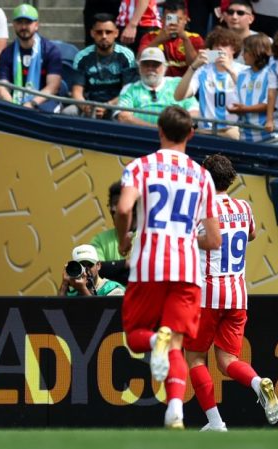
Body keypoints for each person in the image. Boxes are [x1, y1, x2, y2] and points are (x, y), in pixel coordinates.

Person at [115, 106, 221, 429]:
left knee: (136, 338)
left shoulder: (140, 167)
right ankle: (175, 410)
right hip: (187, 269)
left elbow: (123, 208)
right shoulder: (202, 177)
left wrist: (123, 239)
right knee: (176, 343)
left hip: (149, 265)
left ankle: (153, 342)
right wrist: (187, 239)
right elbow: (214, 239)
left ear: (159, 130)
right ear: (191, 134)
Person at [184, 154, 278, 432]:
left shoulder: (198, 209)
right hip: (237, 294)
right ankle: (257, 383)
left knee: (195, 358)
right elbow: (251, 235)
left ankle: (216, 422)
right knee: (227, 361)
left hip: (207, 294)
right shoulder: (243, 207)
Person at [174, 27, 247, 140]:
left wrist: (230, 70)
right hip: (206, 130)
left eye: (224, 45)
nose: (220, 48)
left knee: (232, 134)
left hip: (234, 130)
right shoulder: (202, 70)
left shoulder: (243, 71)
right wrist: (193, 67)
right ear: (211, 49)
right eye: (216, 45)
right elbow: (179, 96)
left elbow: (249, 98)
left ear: (234, 49)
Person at [0, 4, 63, 113]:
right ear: (14, 25)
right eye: (19, 22)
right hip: (15, 101)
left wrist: (32, 103)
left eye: (28, 22)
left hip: (44, 101)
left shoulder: (50, 51)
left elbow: (53, 86)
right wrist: (12, 106)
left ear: (36, 25)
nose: (23, 27)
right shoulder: (6, 53)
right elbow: (2, 85)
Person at [68, 13, 138, 119]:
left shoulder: (126, 55)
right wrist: (85, 107)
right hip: (89, 103)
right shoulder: (82, 56)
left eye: (108, 32)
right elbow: (76, 92)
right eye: (99, 32)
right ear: (92, 33)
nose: (104, 36)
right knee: (68, 112)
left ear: (116, 33)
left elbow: (128, 92)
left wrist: (108, 106)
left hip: (117, 104)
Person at [116, 47, 200, 126]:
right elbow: (123, 117)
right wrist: (158, 129)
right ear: (139, 67)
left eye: (155, 65)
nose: (150, 68)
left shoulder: (178, 83)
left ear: (165, 67)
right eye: (146, 65)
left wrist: (173, 130)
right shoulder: (130, 89)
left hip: (176, 134)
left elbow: (194, 112)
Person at [229, 33, 278, 144]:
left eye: (246, 51)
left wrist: (244, 109)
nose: (242, 55)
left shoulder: (273, 73)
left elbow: (271, 104)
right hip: (245, 138)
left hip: (272, 138)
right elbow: (237, 101)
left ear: (257, 52)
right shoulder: (242, 75)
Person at [137, 0, 205, 77]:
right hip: (159, 82)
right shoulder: (150, 36)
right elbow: (139, 60)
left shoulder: (195, 38)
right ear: (162, 19)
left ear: (186, 20)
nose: (173, 23)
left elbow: (195, 66)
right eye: (169, 19)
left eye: (178, 19)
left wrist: (185, 39)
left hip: (185, 82)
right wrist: (158, 40)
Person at [91, 181, 130, 286]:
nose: (112, 209)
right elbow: (93, 271)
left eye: (118, 203)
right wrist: (126, 264)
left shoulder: (150, 237)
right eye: (111, 205)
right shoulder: (99, 240)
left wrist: (112, 270)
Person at [58, 244, 125, 296]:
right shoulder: (72, 293)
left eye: (89, 265)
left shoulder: (113, 290)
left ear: (98, 265)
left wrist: (83, 289)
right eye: (81, 265)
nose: (85, 270)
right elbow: (57, 309)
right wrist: (64, 284)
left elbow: (99, 310)